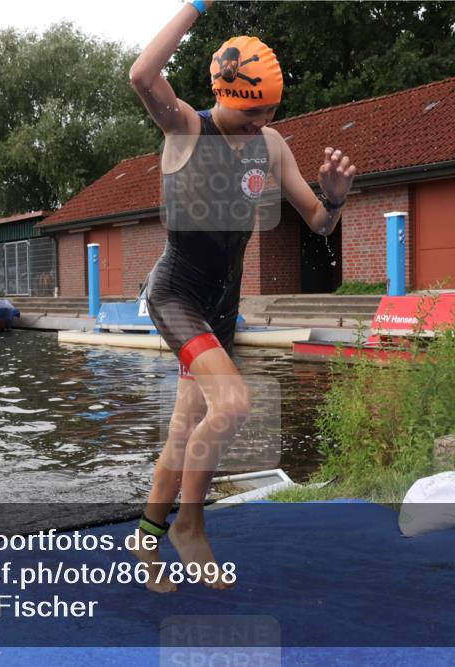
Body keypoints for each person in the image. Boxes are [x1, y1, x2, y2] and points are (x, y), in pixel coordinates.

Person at [128, 0, 357, 591]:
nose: (261, 123)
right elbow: (142, 75)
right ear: (224, 93)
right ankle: (190, 526)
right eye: (253, 112)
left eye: (270, 113)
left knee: (185, 430)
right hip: (177, 294)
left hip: (223, 304)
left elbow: (319, 224)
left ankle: (146, 540)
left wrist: (334, 198)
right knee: (232, 405)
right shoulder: (186, 129)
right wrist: (197, 6)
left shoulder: (271, 145)